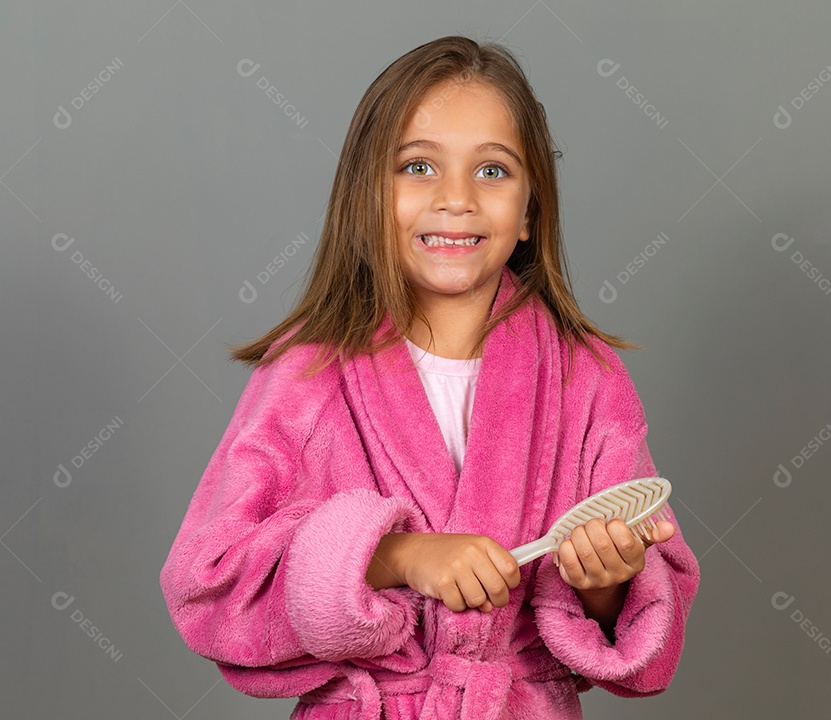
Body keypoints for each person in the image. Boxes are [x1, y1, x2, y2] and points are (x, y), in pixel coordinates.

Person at [160, 35, 699, 720]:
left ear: (531, 210)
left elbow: (654, 618)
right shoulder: (309, 368)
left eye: (494, 172)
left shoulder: (584, 377)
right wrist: (396, 555)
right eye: (418, 167)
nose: (456, 200)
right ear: (368, 196)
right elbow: (208, 586)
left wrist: (605, 583)